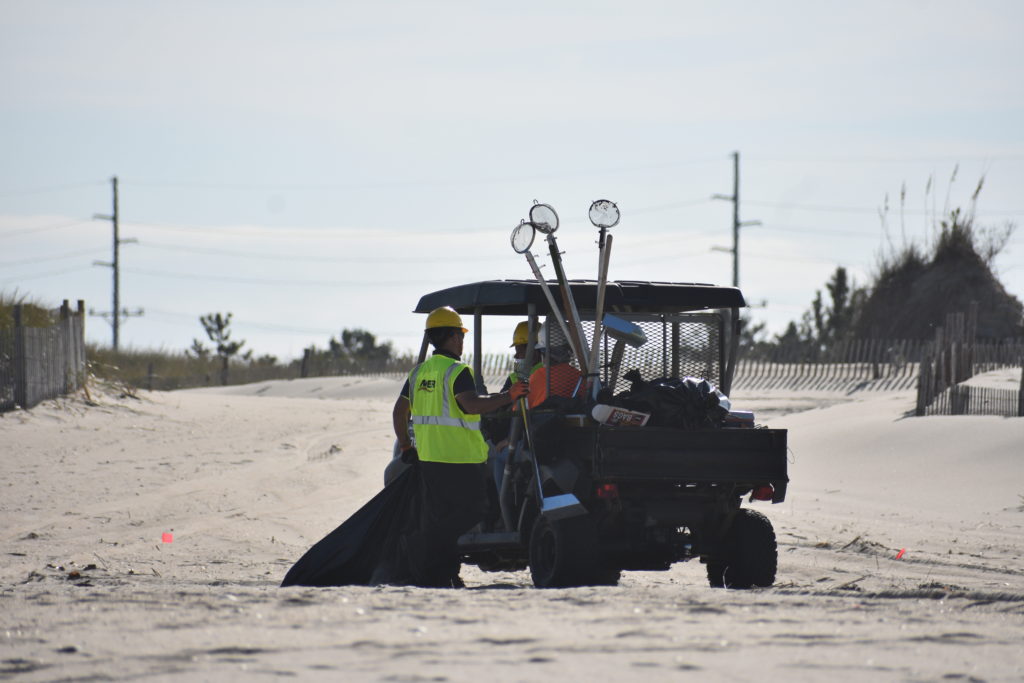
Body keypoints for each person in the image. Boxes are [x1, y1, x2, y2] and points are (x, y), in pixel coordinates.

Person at [391, 306, 528, 587]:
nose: (462, 341)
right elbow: (472, 404)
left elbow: (398, 412)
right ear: (454, 337)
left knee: (441, 517)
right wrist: (507, 396)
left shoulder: (419, 373)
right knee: (472, 512)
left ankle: (444, 574)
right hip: (462, 461)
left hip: (430, 460)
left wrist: (406, 447)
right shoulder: (457, 370)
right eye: (461, 335)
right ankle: (425, 551)